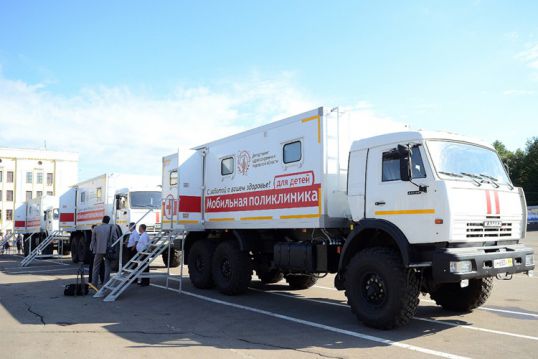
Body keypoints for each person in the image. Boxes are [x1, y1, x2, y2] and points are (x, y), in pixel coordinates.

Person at [90, 216, 118, 287]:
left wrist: (92, 249)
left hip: (98, 250)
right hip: (108, 250)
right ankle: (106, 283)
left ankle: (94, 283)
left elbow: (93, 241)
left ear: (102, 220)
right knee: (107, 267)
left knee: (96, 266)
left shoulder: (96, 228)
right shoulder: (112, 228)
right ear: (108, 221)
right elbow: (116, 239)